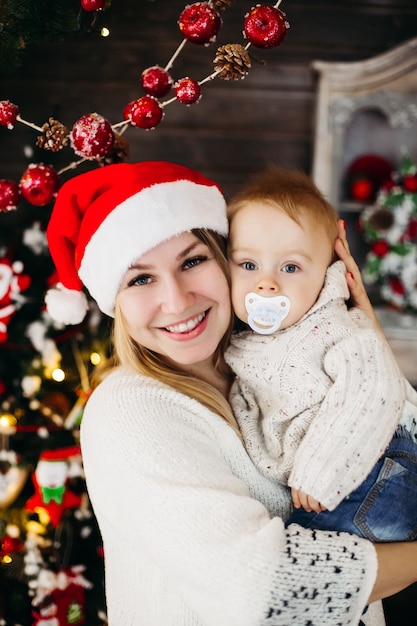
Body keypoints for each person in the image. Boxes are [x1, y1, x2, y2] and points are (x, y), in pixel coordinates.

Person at [44, 160, 417, 626]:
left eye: (193, 261)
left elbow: (392, 433)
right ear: (113, 302)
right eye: (140, 279)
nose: (177, 301)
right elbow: (259, 588)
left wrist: (361, 337)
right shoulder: (130, 408)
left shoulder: (265, 361)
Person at [225, 164, 417, 541]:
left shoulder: (336, 329)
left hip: (377, 470)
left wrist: (320, 470)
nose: (266, 283)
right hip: (329, 486)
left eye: (291, 267)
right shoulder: (243, 345)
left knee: (294, 556)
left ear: (328, 272)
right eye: (248, 264)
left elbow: (373, 391)